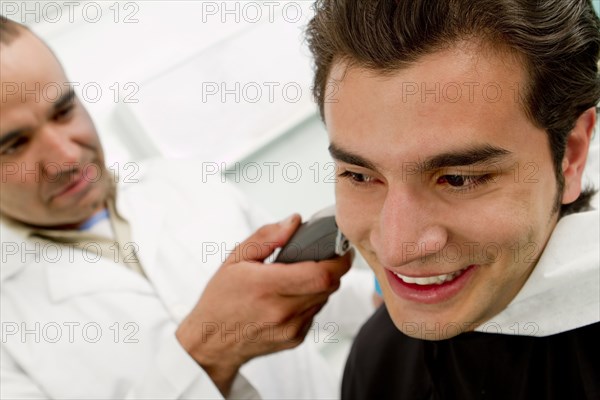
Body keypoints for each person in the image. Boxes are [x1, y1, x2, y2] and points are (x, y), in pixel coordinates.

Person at [0, 16, 374, 399]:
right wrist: (207, 355)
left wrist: (390, 295)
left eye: (63, 111)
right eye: (14, 144)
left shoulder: (181, 180)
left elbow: (301, 301)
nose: (65, 156)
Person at [305, 0, 600, 398]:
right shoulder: (378, 362)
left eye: (459, 179)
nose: (397, 248)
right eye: (359, 175)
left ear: (571, 155)